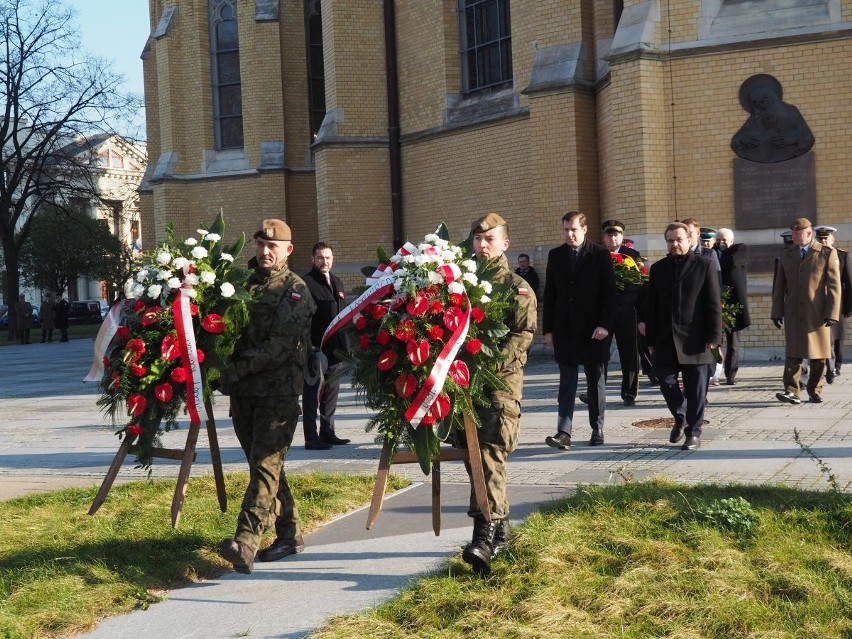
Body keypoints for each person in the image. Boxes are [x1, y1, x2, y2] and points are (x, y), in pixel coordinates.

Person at [217, 218, 316, 574]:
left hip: (278, 395)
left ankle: (245, 541)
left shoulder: (295, 290)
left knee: (265, 466)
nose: (264, 251)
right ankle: (289, 534)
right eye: (260, 244)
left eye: (272, 246)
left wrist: (234, 370)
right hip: (243, 395)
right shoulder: (242, 286)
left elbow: (278, 347)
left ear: (288, 250)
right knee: (267, 466)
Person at [457, 212, 536, 576]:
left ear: (505, 243)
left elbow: (520, 338)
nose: (482, 245)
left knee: (487, 453)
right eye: (478, 240)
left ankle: (483, 538)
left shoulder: (516, 287)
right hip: (462, 390)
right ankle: (502, 527)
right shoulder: (458, 286)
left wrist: (483, 366)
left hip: (499, 386)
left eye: (490, 239)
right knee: (474, 460)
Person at [643, 222, 722, 451]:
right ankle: (681, 415)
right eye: (670, 241)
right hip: (666, 339)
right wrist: (650, 340)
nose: (674, 244)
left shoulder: (704, 265)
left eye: (678, 240)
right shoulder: (658, 269)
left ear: (689, 240)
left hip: (696, 338)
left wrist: (715, 336)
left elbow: (713, 303)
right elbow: (653, 306)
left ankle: (693, 433)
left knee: (696, 389)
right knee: (665, 380)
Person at [543, 211, 615, 451]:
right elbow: (551, 294)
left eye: (574, 229)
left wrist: (604, 324)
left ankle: (597, 428)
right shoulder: (556, 255)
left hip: (594, 330)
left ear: (584, 229)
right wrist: (548, 329)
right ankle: (564, 432)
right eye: (565, 230)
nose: (569, 234)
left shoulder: (600, 254)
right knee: (567, 383)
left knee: (595, 381)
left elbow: (609, 293)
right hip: (565, 329)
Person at [771, 217, 841, 405]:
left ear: (808, 234)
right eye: (792, 233)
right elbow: (779, 286)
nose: (793, 236)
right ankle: (791, 391)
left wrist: (832, 313)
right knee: (793, 353)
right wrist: (776, 311)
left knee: (818, 354)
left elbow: (835, 286)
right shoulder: (786, 254)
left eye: (797, 233)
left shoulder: (826, 252)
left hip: (817, 312)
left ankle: (814, 390)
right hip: (793, 311)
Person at [302, 241, 349, 450]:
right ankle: (311, 437)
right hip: (316, 349)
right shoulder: (306, 283)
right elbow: (303, 317)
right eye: (320, 258)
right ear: (313, 259)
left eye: (328, 257)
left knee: (331, 394)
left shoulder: (337, 282)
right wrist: (308, 346)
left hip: (336, 348)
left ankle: (327, 432)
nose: (324, 262)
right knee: (313, 394)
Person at [600, 219, 641, 405]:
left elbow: (639, 285)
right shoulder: (596, 256)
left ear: (622, 237)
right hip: (603, 313)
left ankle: (630, 392)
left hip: (626, 310)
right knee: (600, 353)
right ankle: (597, 389)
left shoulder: (632, 256)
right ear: (604, 237)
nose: (613, 238)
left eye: (616, 235)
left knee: (629, 353)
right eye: (609, 235)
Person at [814, 226, 852, 383]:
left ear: (832, 239)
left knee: (837, 337)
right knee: (825, 337)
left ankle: (836, 366)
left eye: (826, 238)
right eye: (820, 239)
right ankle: (828, 369)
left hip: (838, 304)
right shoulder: (813, 256)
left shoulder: (842, 256)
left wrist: (848, 307)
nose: (823, 241)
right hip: (819, 304)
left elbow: (849, 283)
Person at [716, 228, 751, 385]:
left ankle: (730, 374)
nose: (721, 243)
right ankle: (713, 374)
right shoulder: (713, 252)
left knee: (733, 342)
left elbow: (731, 262)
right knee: (715, 340)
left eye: (724, 240)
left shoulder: (740, 249)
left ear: (731, 240)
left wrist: (715, 261)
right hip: (716, 301)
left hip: (733, 302)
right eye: (719, 240)